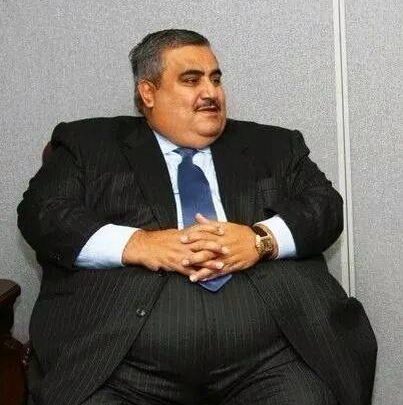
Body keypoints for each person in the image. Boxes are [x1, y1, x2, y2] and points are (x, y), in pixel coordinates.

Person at [18, 29, 377, 405]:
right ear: (148, 92)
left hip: (271, 363)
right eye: (191, 80)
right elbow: (42, 212)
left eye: (215, 79)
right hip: (123, 369)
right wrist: (138, 244)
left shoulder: (273, 146)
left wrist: (260, 239)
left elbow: (324, 207)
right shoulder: (89, 145)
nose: (211, 92)